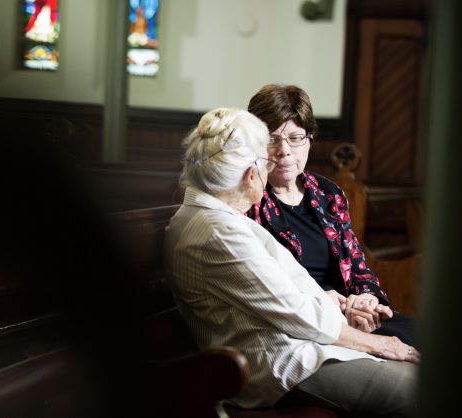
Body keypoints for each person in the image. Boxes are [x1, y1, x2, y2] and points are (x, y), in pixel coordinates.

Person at [164, 107, 418, 417]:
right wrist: (378, 344)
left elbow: (285, 294)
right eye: (266, 159)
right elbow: (295, 312)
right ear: (250, 175)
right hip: (282, 364)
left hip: (300, 344)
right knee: (422, 391)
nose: (275, 162)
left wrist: (331, 300)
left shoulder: (218, 218)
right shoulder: (218, 231)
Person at [246, 84, 414, 344]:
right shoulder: (249, 199)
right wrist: (326, 301)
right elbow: (263, 285)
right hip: (305, 326)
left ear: (310, 138)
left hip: (351, 315)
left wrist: (367, 298)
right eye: (271, 139)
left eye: (295, 137)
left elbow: (357, 265)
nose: (284, 150)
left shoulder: (327, 193)